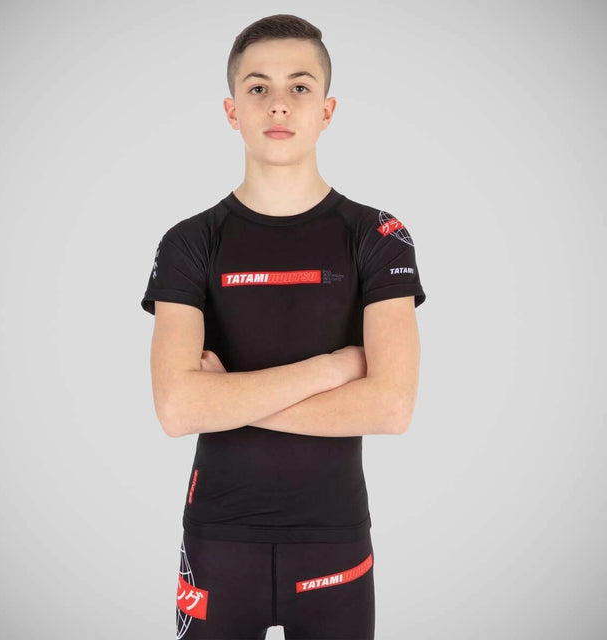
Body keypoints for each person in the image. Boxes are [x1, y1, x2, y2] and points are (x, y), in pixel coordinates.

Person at [140, 13, 426, 640]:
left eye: (299, 86)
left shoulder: (378, 236)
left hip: (334, 542)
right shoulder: (189, 242)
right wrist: (333, 368)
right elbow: (177, 409)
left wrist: (227, 399)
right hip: (217, 541)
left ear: (327, 110)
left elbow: (392, 407)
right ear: (231, 110)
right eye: (257, 87)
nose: (278, 104)